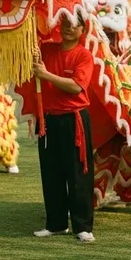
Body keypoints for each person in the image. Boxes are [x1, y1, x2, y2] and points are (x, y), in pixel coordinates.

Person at [23, 13, 96, 243]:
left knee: (77, 174)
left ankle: (83, 226)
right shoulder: (45, 50)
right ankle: (56, 224)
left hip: (74, 120)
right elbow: (28, 58)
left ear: (82, 30)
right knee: (51, 173)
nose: (68, 27)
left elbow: (76, 87)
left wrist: (46, 75)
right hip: (49, 120)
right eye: (65, 23)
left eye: (74, 25)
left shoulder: (84, 56)